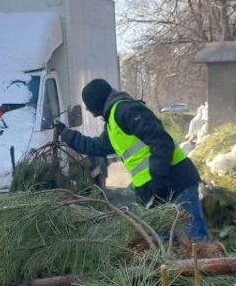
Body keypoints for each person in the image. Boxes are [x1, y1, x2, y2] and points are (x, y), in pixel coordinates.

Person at [54, 79, 210, 241]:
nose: (86, 109)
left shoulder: (126, 110)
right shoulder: (112, 122)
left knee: (195, 239)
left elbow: (161, 142)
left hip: (176, 182)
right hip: (155, 189)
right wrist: (67, 135)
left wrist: (158, 180)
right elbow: (95, 146)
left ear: (96, 102)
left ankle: (209, 265)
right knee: (165, 242)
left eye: (88, 105)